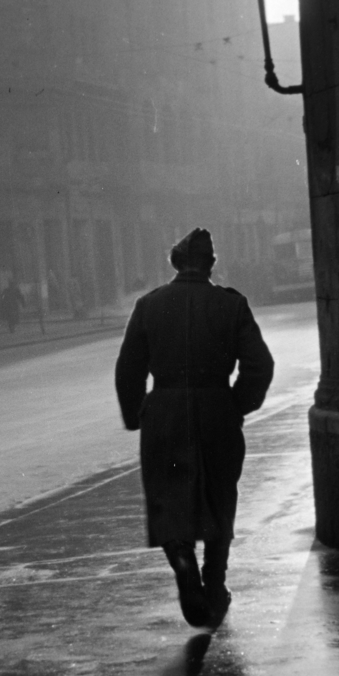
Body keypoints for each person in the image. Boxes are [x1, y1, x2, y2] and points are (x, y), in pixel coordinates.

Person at [114, 226, 274, 627]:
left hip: (165, 413)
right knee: (220, 497)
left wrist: (136, 414)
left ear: (175, 262)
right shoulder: (231, 306)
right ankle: (214, 583)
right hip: (216, 409)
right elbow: (260, 365)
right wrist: (236, 404)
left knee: (168, 498)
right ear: (210, 265)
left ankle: (182, 560)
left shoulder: (148, 306)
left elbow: (128, 368)